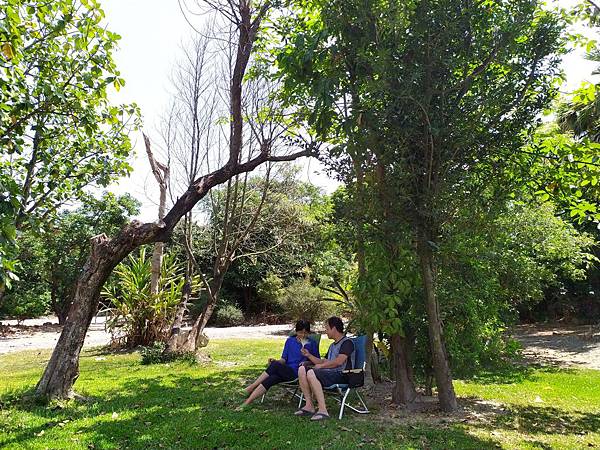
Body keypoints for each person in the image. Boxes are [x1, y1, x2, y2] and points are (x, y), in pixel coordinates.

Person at [236, 320, 320, 410]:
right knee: (272, 378)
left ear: (309, 333)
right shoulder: (290, 341)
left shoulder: (312, 343)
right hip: (285, 370)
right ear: (296, 331)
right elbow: (284, 360)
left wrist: (307, 360)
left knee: (275, 366)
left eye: (305, 333)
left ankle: (251, 387)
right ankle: (247, 402)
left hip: (297, 374)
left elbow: (316, 361)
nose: (303, 335)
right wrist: (276, 361)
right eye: (300, 332)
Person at [294, 316, 355, 421]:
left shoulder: (347, 343)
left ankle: (323, 410)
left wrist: (321, 367)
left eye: (327, 329)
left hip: (343, 375)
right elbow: (324, 361)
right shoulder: (332, 346)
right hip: (330, 374)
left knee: (312, 373)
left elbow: (339, 361)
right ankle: (309, 406)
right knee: (302, 370)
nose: (326, 331)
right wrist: (308, 355)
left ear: (334, 329)